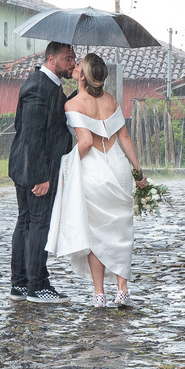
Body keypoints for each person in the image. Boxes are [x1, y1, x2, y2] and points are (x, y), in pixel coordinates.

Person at [45, 53, 149, 308]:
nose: (75, 65)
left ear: (83, 75)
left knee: (96, 235)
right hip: (118, 167)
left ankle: (99, 294)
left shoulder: (74, 104)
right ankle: (123, 291)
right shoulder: (112, 100)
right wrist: (138, 172)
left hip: (93, 170)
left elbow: (86, 143)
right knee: (122, 231)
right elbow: (124, 137)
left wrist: (66, 164)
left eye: (78, 64)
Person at [8, 41, 77, 303]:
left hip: (27, 165)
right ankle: (37, 286)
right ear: (51, 59)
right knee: (37, 224)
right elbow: (32, 134)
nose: (72, 62)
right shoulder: (39, 86)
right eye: (68, 58)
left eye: (74, 58)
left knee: (26, 222)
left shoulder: (50, 86)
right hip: (34, 168)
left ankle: (21, 285)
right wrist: (42, 176)